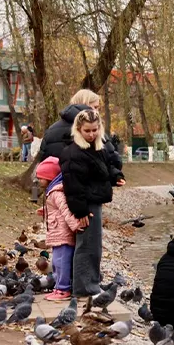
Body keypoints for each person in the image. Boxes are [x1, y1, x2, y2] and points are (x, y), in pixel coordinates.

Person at [58, 108, 124, 298]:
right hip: (86, 205)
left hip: (93, 202)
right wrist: (80, 212)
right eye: (87, 130)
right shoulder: (73, 153)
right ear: (78, 129)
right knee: (87, 247)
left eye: (95, 130)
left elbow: (103, 169)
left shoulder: (96, 147)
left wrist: (116, 176)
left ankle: (91, 283)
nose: (92, 134)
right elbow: (73, 185)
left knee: (94, 247)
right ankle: (85, 288)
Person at [34, 156, 80, 301]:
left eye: (41, 177)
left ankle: (63, 289)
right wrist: (45, 211)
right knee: (56, 262)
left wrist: (75, 225)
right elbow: (56, 210)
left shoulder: (56, 193)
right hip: (56, 232)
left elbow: (65, 210)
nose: (39, 181)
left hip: (62, 234)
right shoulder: (52, 191)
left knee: (62, 262)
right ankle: (59, 286)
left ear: (50, 177)